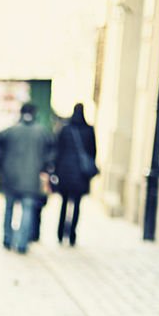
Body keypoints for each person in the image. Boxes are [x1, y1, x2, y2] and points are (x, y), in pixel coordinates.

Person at [0, 103, 53, 254]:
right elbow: (51, 154)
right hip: (31, 178)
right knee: (28, 210)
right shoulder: (42, 132)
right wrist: (44, 168)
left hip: (10, 177)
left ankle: (7, 238)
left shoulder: (10, 131)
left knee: (9, 209)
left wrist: (2, 168)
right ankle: (22, 243)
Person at [53, 103, 97, 245]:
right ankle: (71, 234)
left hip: (65, 172)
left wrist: (56, 171)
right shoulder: (89, 130)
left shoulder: (65, 129)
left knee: (64, 203)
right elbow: (93, 152)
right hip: (81, 174)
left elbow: (58, 151)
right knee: (76, 204)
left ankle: (60, 233)